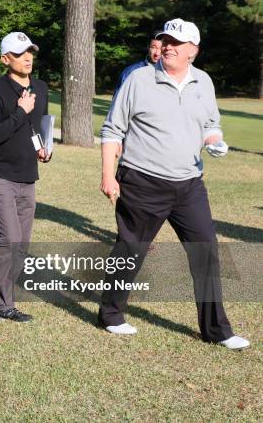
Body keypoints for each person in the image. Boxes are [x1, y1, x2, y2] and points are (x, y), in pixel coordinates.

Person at [98, 18, 249, 350]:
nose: (167, 46)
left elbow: (211, 123)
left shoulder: (204, 82)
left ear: (193, 51)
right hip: (141, 181)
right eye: (165, 40)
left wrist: (214, 140)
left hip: (189, 184)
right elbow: (112, 130)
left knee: (206, 250)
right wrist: (108, 175)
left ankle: (217, 330)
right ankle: (110, 314)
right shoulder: (138, 79)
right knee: (131, 249)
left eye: (175, 43)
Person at [0, 32, 51, 325]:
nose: (27, 57)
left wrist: (44, 148)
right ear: (6, 59)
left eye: (30, 51)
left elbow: (37, 127)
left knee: (22, 243)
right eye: (20, 53)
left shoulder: (41, 88)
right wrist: (20, 111)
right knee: (10, 238)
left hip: (27, 175)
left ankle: (4, 304)